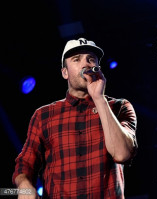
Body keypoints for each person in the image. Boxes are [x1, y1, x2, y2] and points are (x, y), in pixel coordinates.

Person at [12, 38, 138, 199]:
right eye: (76, 59)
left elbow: (122, 154)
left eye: (91, 59)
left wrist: (99, 98)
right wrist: (24, 185)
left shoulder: (120, 106)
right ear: (65, 72)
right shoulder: (43, 115)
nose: (85, 64)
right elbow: (26, 163)